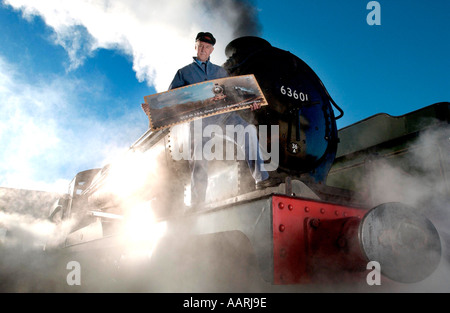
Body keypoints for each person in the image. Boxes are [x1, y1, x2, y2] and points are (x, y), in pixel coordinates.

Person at [169, 32, 276, 208]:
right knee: (199, 158)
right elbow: (172, 97)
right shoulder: (183, 73)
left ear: (212, 50)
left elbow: (234, 94)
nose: (203, 49)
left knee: (248, 131)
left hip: (224, 116)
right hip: (200, 121)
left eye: (207, 47)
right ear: (195, 46)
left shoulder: (220, 71)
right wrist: (154, 108)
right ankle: (198, 202)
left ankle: (261, 179)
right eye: (200, 45)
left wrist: (251, 104)